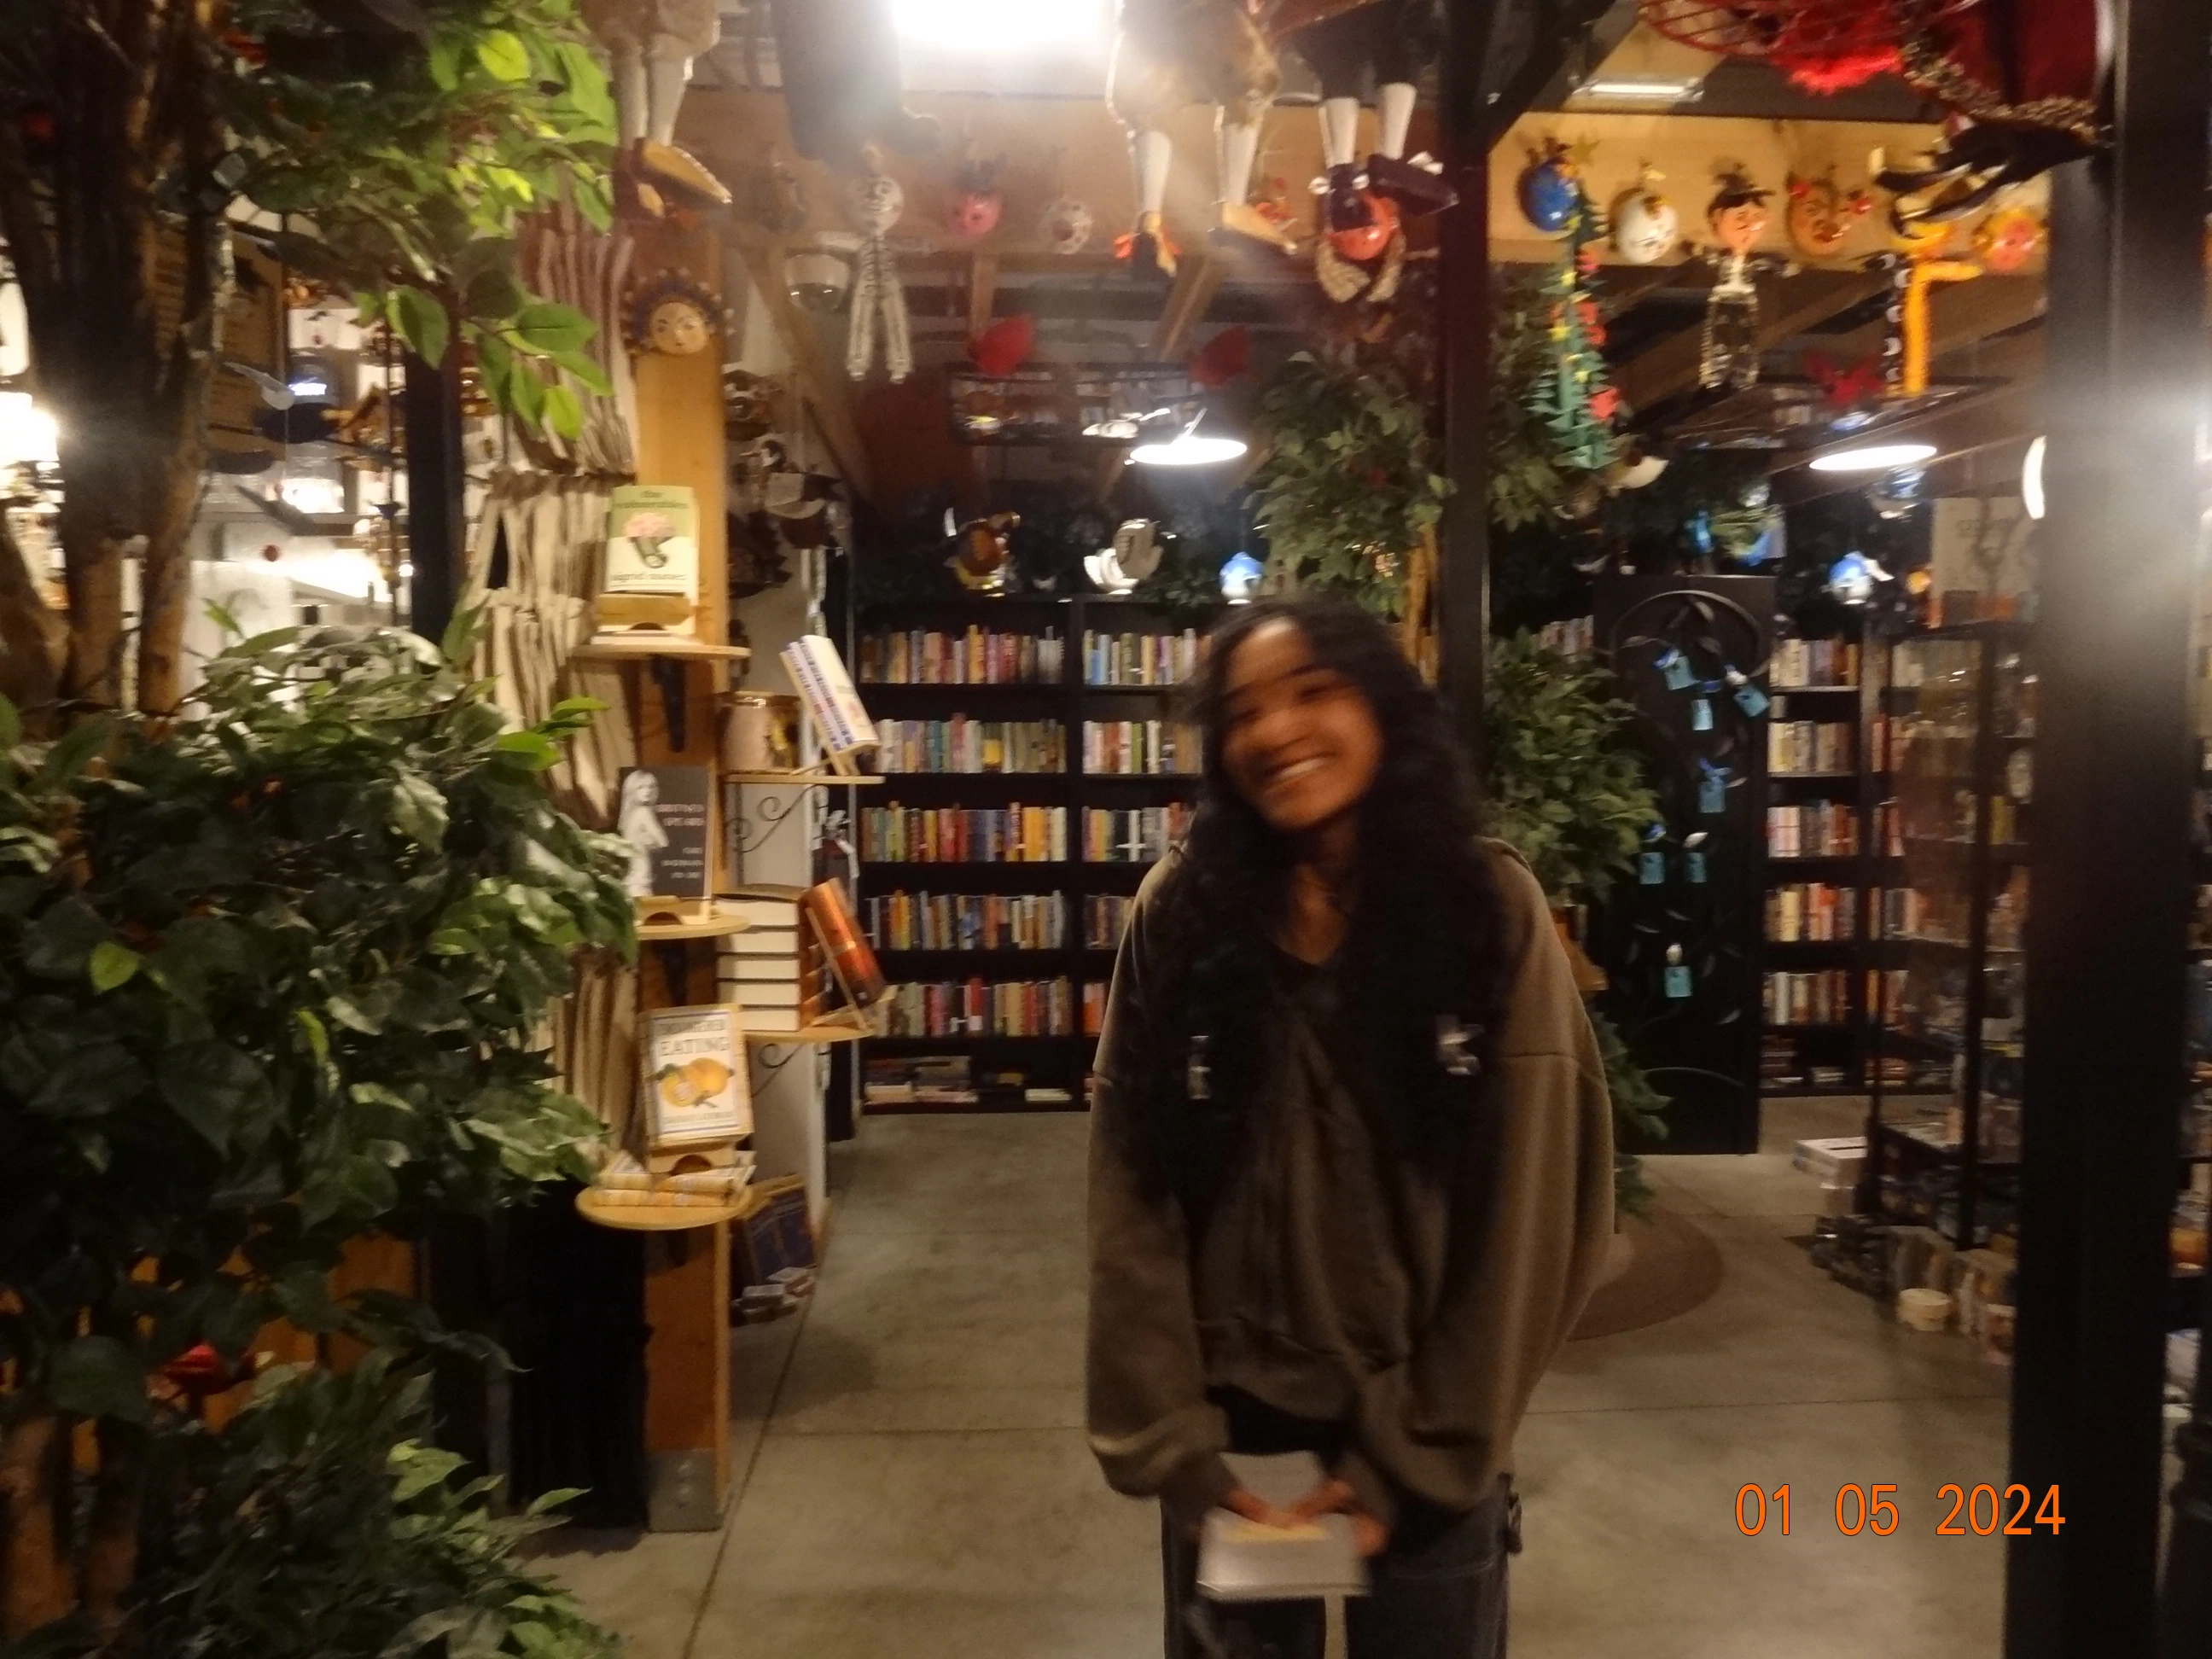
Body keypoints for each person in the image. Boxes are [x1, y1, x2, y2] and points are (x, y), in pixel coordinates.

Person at [1086, 596, 1615, 1659]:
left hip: (1431, 1434)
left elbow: (1531, 1219)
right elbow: (1132, 1201)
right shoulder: (1178, 915)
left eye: (1314, 692)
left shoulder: (1487, 910)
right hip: (1236, 1443)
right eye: (1244, 713)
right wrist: (1176, 1448)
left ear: (1383, 708)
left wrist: (1414, 1455)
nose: (1276, 731)